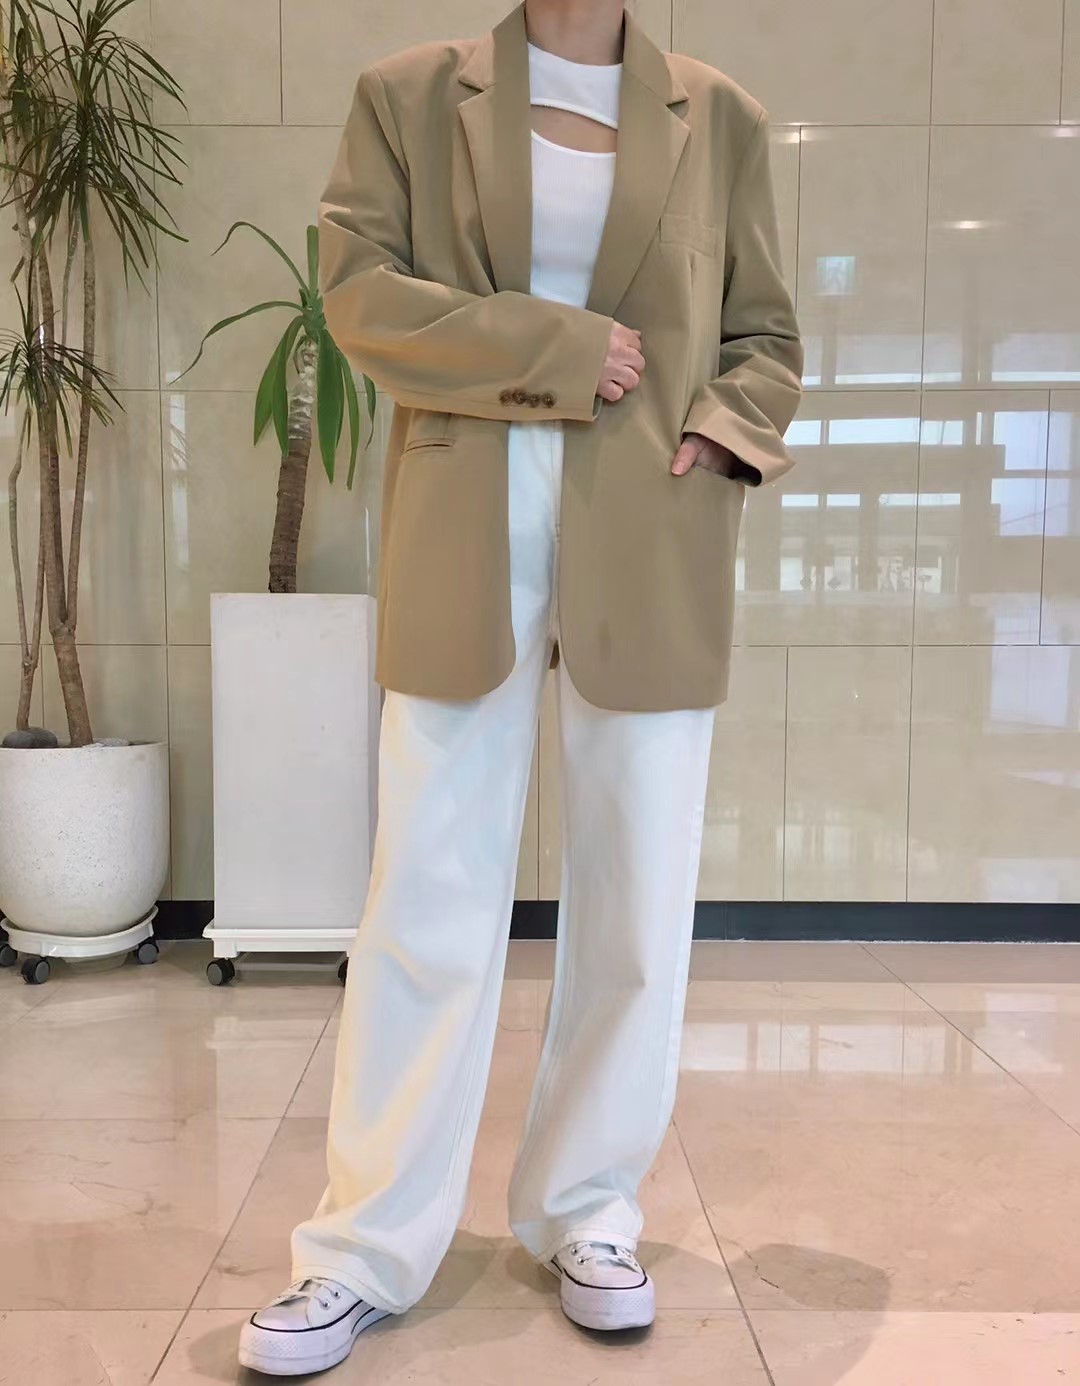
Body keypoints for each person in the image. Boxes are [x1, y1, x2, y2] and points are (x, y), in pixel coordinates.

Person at [239, 0, 802, 1374]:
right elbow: (362, 297)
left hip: (652, 535)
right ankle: (361, 1247)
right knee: (423, 890)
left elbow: (765, 340)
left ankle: (589, 1212)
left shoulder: (718, 115)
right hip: (464, 528)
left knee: (638, 893)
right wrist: (557, 349)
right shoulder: (409, 95)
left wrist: (722, 436)